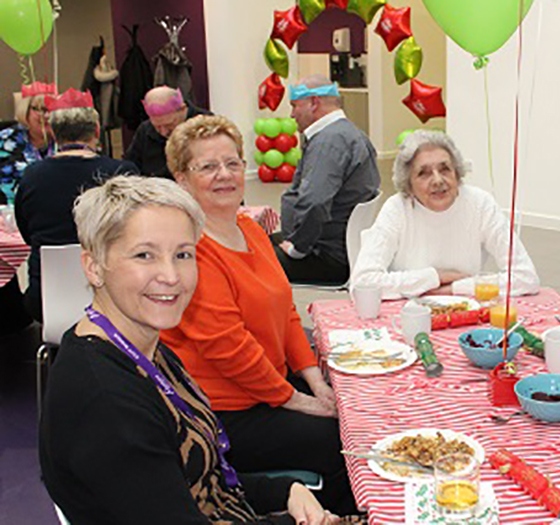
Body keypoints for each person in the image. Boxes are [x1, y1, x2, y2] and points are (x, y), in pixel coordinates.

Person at [39, 175, 338, 524]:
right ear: (94, 267)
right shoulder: (106, 402)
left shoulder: (144, 348)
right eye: (144, 255)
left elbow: (201, 482)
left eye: (183, 254)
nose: (171, 275)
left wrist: (284, 490)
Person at [160, 115, 357, 516]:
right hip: (224, 412)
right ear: (182, 179)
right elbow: (227, 347)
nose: (225, 175)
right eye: (208, 166)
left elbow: (285, 310)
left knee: (353, 406)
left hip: (265, 389)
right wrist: (296, 400)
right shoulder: (191, 250)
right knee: (342, 442)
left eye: (232, 163)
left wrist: (314, 381)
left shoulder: (249, 229)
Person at [351, 130, 540, 299]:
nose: (438, 180)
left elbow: (525, 277)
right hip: (409, 314)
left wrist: (455, 288)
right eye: (423, 173)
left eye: (445, 169)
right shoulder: (397, 209)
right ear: (408, 185)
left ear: (457, 174)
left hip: (467, 314)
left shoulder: (480, 204)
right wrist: (434, 277)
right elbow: (362, 283)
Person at [15, 88, 136, 322]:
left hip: (46, 301)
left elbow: (27, 234)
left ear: (53, 132)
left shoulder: (32, 177)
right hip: (112, 294)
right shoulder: (122, 174)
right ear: (97, 131)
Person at [275, 75, 380, 285]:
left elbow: (315, 202)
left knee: (244, 262)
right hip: (341, 246)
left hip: (325, 255)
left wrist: (298, 247)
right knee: (256, 243)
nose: (292, 114)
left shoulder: (329, 142)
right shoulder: (349, 133)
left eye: (295, 106)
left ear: (314, 103)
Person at [123, 86, 209, 179]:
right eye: (157, 127)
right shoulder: (145, 130)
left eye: (169, 125)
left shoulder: (207, 125)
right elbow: (131, 166)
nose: (163, 132)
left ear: (183, 109)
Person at [1, 82, 57, 201]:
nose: (46, 116)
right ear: (25, 111)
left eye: (52, 109)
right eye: (41, 109)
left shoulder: (64, 141)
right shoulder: (5, 140)